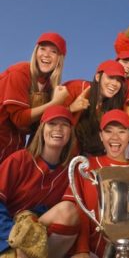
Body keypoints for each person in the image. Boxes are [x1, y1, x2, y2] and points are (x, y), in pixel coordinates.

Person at [62, 109, 129, 258]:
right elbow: (78, 212)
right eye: (108, 131)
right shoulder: (86, 167)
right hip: (90, 252)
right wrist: (82, 250)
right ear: (101, 136)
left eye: (121, 132)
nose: (115, 137)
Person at [0, 105, 79, 258]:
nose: (58, 129)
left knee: (68, 210)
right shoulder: (19, 159)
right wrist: (13, 234)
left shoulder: (70, 171)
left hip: (40, 239)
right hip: (6, 235)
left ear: (71, 132)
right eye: (52, 123)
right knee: (27, 230)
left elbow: (64, 216)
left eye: (64, 124)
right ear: (42, 129)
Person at [0, 32, 69, 163]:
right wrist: (55, 103)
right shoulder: (20, 72)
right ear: (36, 52)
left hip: (13, 145)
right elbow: (19, 119)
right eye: (42, 49)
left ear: (60, 58)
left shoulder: (49, 86)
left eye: (53, 52)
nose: (46, 55)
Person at [63, 60, 126, 156]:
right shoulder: (76, 88)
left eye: (118, 80)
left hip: (83, 158)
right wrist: (71, 108)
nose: (114, 83)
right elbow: (48, 120)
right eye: (110, 77)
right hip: (58, 154)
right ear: (97, 77)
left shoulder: (110, 106)